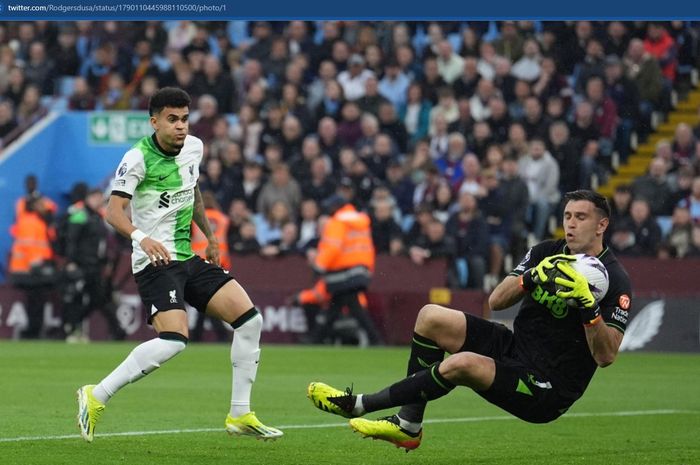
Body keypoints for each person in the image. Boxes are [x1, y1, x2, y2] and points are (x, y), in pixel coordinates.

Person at [307, 190, 632, 451]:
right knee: (430, 316)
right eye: (567, 216)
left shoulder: (615, 279)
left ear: (601, 225)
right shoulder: (547, 251)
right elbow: (497, 300)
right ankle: (409, 425)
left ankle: (359, 405)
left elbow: (606, 356)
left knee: (462, 364)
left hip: (548, 386)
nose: (571, 224)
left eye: (581, 217)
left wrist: (588, 307)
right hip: (515, 348)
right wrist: (530, 278)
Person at [76, 87, 282, 442]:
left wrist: (211, 235)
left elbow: (193, 188)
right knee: (173, 341)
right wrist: (142, 238)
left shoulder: (195, 148)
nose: (181, 126)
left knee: (250, 321)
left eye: (185, 119)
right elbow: (113, 212)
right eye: (172, 119)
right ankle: (96, 395)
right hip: (154, 262)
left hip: (188, 257)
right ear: (154, 121)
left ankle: (239, 414)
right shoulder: (137, 158)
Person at [308, 194, 382, 345]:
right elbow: (368, 248)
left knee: (351, 307)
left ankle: (375, 339)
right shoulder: (361, 222)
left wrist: (319, 266)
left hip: (343, 272)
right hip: (360, 270)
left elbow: (332, 247)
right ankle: (315, 338)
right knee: (338, 305)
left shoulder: (338, 222)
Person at [59, 184, 125, 342]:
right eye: (95, 197)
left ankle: (72, 326)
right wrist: (71, 262)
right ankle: (72, 327)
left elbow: (103, 243)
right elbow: (71, 240)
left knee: (96, 299)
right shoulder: (79, 215)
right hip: (82, 265)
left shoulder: (98, 217)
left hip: (95, 266)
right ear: (88, 198)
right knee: (88, 298)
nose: (98, 200)